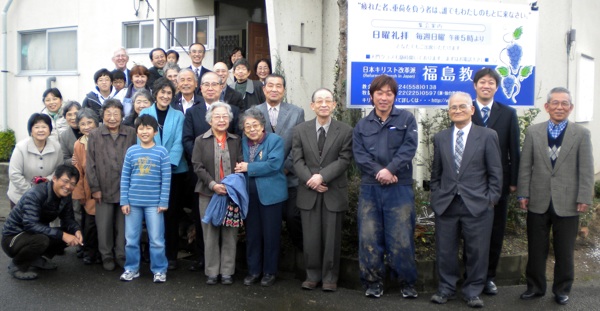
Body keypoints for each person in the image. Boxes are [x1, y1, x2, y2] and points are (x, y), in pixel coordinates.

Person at [517, 87, 594, 305]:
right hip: (538, 199)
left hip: (568, 201)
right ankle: (535, 287)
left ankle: (562, 289)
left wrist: (584, 197)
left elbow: (586, 169)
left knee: (564, 250)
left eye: (564, 103)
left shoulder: (581, 134)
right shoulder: (534, 132)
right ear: (547, 107)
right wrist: (523, 193)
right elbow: (525, 166)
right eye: (555, 103)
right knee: (536, 248)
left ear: (571, 108)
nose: (559, 107)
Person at [429, 92, 502, 308]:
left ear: (472, 109)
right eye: (453, 107)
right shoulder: (441, 137)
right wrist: (436, 194)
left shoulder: (488, 135)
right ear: (449, 111)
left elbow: (496, 172)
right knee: (445, 250)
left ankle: (472, 291)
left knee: (477, 251)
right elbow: (436, 173)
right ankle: (446, 288)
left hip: (478, 203)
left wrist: (491, 199)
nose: (457, 110)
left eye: (462, 106)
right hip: (447, 203)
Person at [352, 74, 418, 299]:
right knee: (369, 237)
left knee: (401, 236)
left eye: (389, 93)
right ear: (371, 96)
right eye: (379, 93)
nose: (384, 97)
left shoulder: (407, 119)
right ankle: (373, 282)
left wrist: (391, 169)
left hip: (399, 187)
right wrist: (380, 172)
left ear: (394, 96)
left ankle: (407, 282)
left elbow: (409, 148)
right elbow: (359, 155)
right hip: (370, 187)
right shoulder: (362, 125)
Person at [292, 88, 352, 292]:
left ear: (334, 105)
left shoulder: (345, 130)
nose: (324, 104)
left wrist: (322, 176)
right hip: (309, 191)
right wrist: (311, 179)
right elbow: (296, 159)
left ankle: (330, 277)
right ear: (312, 106)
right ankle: (312, 275)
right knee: (310, 237)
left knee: (331, 238)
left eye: (328, 101)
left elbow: (344, 160)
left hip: (333, 191)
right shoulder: (300, 130)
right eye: (319, 101)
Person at [469, 68, 521, 295]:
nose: (486, 86)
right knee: (469, 231)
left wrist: (513, 181)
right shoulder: (465, 110)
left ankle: (489, 277)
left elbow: (513, 150)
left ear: (496, 88)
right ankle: (470, 275)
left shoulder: (508, 113)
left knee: (495, 231)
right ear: (475, 85)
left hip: (498, 183)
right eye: (482, 82)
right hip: (470, 182)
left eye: (491, 83)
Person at [234, 108, 287, 287]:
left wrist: (249, 167)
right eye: (247, 126)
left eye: (255, 125)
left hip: (271, 196)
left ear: (263, 126)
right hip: (249, 196)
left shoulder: (275, 140)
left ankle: (270, 272)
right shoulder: (241, 142)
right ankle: (253, 271)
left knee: (271, 235)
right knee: (252, 235)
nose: (251, 129)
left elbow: (274, 165)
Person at [139, 78, 188, 270]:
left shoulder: (179, 116)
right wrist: (156, 163)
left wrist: (167, 164)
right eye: (162, 92)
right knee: (152, 215)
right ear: (155, 93)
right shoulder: (145, 113)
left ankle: (171, 255)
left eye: (169, 93)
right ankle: (153, 254)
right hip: (151, 171)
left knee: (171, 215)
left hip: (174, 171)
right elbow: (141, 139)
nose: (166, 96)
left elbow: (179, 142)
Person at [191, 102, 243, 285]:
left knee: (230, 233)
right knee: (210, 234)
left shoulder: (236, 140)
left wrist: (231, 186)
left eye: (224, 116)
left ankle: (227, 271)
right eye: (217, 117)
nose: (221, 120)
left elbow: (240, 164)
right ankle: (212, 271)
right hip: (207, 193)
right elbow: (197, 166)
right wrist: (213, 185)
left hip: (231, 194)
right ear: (210, 120)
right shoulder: (200, 140)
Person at [2, 164, 82, 280]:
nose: (68, 186)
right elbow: (30, 225)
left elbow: (68, 219)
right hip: (13, 238)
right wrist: (63, 235)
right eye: (65, 181)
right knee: (43, 240)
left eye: (72, 184)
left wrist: (76, 230)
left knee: (68, 232)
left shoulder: (65, 196)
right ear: (54, 178)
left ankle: (34, 259)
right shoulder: (36, 194)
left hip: (32, 234)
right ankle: (17, 265)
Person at [120, 114, 171, 283]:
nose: (144, 131)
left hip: (154, 204)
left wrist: (163, 201)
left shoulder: (162, 152)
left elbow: (166, 179)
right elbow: (125, 177)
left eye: (148, 128)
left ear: (155, 132)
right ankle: (131, 268)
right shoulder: (131, 151)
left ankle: (159, 269)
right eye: (141, 128)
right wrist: (124, 201)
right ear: (137, 131)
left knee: (156, 239)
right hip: (133, 203)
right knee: (131, 239)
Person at [86, 99, 137, 271]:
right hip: (103, 187)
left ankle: (121, 255)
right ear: (103, 116)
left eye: (116, 114)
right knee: (104, 226)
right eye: (108, 114)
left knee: (123, 227)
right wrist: (95, 188)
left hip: (125, 189)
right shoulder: (95, 135)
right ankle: (106, 256)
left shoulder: (131, 133)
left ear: (122, 115)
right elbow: (90, 164)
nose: (112, 118)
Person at [256, 74, 305, 251]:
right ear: (264, 89)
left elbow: (298, 144)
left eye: (278, 86)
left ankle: (300, 253)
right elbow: (251, 145)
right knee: (267, 222)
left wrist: (284, 167)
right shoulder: (253, 112)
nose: (274, 89)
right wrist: (267, 168)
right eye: (270, 85)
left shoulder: (296, 112)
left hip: (288, 175)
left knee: (292, 216)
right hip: (263, 178)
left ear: (284, 90)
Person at [7, 113, 63, 208]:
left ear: (49, 130)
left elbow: (59, 170)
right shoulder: (21, 147)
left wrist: (48, 181)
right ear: (31, 130)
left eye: (44, 127)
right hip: (20, 196)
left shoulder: (56, 147)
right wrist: (32, 192)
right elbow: (14, 174)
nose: (40, 130)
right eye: (36, 127)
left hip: (45, 195)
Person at [72, 108, 101, 265]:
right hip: (87, 189)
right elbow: (78, 171)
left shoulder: (103, 139)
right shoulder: (78, 144)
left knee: (103, 225)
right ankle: (89, 251)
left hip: (104, 189)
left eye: (90, 122)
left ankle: (102, 252)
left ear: (96, 123)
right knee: (89, 224)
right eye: (82, 124)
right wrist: (80, 193)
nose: (86, 126)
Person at [59, 101, 82, 166]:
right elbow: (64, 159)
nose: (73, 117)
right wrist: (73, 160)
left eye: (76, 114)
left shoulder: (91, 128)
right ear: (65, 117)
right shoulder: (64, 136)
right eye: (69, 114)